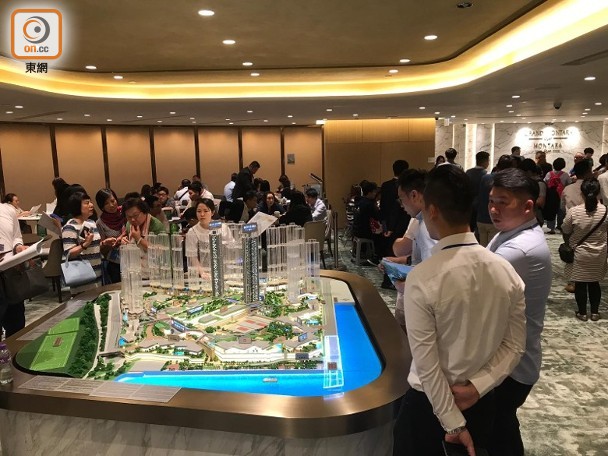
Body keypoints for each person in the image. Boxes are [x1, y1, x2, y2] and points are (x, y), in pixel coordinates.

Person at [393, 164, 526, 456]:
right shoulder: (506, 271)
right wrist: (478, 386)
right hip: (480, 401)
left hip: (429, 407)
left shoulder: (422, 277)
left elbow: (427, 364)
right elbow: (515, 345)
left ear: (432, 211)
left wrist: (452, 423)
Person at [486, 168, 552, 456]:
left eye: (503, 202)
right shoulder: (511, 234)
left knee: (498, 432)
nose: (493, 208)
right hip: (513, 355)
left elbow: (475, 297)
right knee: (501, 428)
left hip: (511, 364)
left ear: (527, 206)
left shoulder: (518, 249)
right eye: (491, 200)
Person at [387, 169, 436, 329]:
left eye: (401, 199)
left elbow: (433, 271)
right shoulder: (420, 220)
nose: (401, 205)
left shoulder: (426, 225)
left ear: (414, 195)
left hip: (422, 301)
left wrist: (407, 286)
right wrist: (401, 261)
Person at [561, 178, 608, 322]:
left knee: (580, 283)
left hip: (579, 253)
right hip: (599, 253)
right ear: (599, 192)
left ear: (581, 193)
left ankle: (582, 313)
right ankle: (595, 313)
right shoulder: (605, 211)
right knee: (594, 283)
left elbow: (565, 229)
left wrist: (569, 243)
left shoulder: (574, 211)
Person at [61, 192, 104, 294]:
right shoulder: (70, 227)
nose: (91, 205)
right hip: (81, 277)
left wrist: (105, 243)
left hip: (97, 274)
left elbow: (94, 247)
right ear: (77, 206)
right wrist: (85, 244)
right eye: (86, 203)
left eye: (91, 202)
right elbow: (69, 253)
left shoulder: (91, 223)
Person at [379, 160, 411, 289]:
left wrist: (385, 225)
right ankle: (395, 279)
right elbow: (397, 209)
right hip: (401, 223)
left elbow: (382, 207)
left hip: (388, 223)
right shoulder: (404, 187)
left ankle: (387, 280)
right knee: (399, 252)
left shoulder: (385, 185)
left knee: (388, 251)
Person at [0, 203, 28, 337]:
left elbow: (16, 235)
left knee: (17, 325)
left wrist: (18, 247)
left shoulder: (7, 210)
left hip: (10, 273)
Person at [476, 154, 513, 246]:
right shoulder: (506, 181)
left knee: (483, 247)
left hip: (481, 219)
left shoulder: (485, 177)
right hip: (495, 220)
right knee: (492, 250)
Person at [95, 188, 125, 284]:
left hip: (131, 257)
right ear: (102, 207)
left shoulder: (125, 213)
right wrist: (108, 244)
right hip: (115, 263)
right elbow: (102, 250)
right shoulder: (100, 223)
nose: (111, 205)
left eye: (113, 201)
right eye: (106, 203)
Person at [352, 181, 383, 264]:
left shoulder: (359, 201)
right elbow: (377, 217)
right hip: (363, 232)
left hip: (355, 230)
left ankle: (364, 252)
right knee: (381, 234)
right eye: (374, 192)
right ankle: (376, 257)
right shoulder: (369, 204)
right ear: (369, 192)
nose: (375, 194)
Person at [543, 157, 571, 234]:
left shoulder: (549, 174)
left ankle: (551, 228)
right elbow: (569, 184)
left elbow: (545, 183)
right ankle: (560, 226)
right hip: (561, 195)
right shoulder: (565, 175)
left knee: (551, 211)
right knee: (561, 211)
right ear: (563, 166)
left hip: (551, 196)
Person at [465, 151, 490, 236]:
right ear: (485, 161)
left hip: (468, 205)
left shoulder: (468, 172)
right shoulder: (486, 175)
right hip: (480, 207)